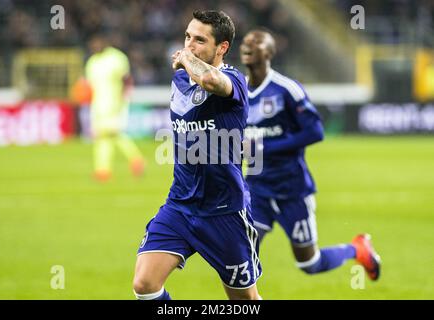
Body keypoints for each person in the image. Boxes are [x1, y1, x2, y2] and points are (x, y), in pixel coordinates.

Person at [133, 10, 262, 300]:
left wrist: (185, 58)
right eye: (187, 37)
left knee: (245, 300)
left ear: (222, 48)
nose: (190, 45)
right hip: (180, 205)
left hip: (224, 211)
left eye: (200, 40)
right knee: (144, 284)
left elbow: (211, 82)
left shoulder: (234, 80)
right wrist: (187, 63)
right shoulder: (180, 81)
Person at [240, 29, 381, 280]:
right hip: (257, 188)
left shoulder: (286, 89)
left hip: (291, 189)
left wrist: (267, 147)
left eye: (256, 42)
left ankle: (357, 249)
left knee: (309, 263)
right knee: (244, 254)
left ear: (269, 52)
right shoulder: (237, 91)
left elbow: (315, 131)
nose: (248, 45)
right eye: (246, 42)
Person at [85, 34, 145, 181]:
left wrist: (124, 98)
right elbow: (89, 86)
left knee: (112, 133)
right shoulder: (92, 61)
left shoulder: (117, 58)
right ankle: (105, 169)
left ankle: (132, 160)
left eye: (97, 41)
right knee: (103, 136)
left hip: (115, 102)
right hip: (98, 104)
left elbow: (126, 79)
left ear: (104, 41)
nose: (95, 45)